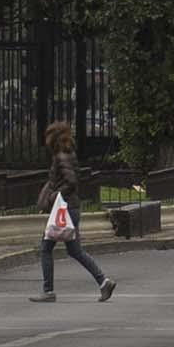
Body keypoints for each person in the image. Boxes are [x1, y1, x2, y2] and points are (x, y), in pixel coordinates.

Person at [32, 119, 114, 301]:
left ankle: (48, 291)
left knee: (45, 248)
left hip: (64, 210)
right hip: (71, 208)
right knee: (75, 251)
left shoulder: (61, 156)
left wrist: (53, 197)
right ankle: (104, 282)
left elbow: (71, 182)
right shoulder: (69, 154)